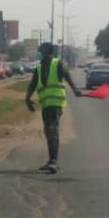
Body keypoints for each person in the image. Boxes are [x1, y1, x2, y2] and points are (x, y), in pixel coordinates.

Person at [25, 43, 82, 174]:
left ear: (48, 52)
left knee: (52, 131)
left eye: (43, 52)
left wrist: (75, 89)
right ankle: (51, 160)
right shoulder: (39, 67)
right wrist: (27, 98)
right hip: (46, 104)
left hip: (55, 103)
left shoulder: (58, 64)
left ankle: (53, 162)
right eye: (41, 52)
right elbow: (33, 84)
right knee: (48, 132)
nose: (42, 55)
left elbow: (67, 76)